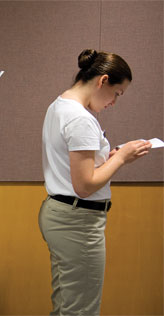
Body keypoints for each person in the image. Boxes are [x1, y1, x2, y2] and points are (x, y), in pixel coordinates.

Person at [39, 49, 152, 315]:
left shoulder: (59, 106)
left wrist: (109, 159)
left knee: (67, 302)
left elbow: (77, 171)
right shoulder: (80, 118)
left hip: (61, 214)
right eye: (117, 94)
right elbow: (85, 185)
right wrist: (121, 157)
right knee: (81, 308)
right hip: (77, 221)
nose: (114, 102)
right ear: (102, 81)